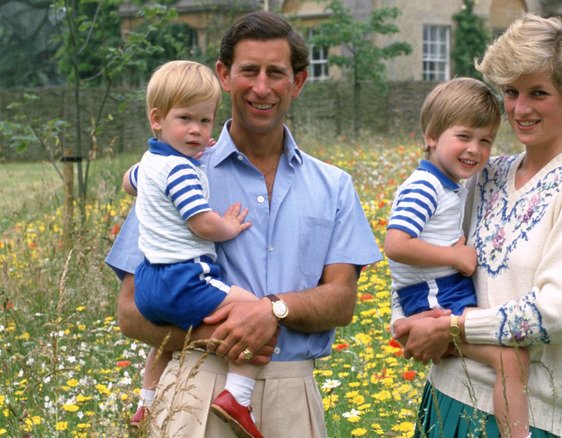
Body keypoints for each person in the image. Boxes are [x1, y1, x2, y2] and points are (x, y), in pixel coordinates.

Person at [105, 11, 382, 438]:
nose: (261, 87)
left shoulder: (334, 186)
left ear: (299, 82)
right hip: (193, 390)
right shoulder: (173, 170)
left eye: (276, 73)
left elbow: (342, 301)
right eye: (248, 71)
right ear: (224, 76)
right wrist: (216, 336)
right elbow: (129, 311)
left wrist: (272, 310)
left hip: (294, 396)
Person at [392, 13, 562, 438]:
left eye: (539, 92)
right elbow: (422, 251)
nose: (520, 108)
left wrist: (450, 328)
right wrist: (403, 320)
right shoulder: (485, 173)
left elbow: (555, 315)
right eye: (512, 92)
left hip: (522, 418)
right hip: (445, 397)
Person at [121, 59, 268, 438]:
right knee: (256, 314)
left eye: (205, 122)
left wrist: (190, 152)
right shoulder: (182, 171)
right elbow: (200, 222)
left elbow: (128, 182)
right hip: (185, 276)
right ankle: (238, 396)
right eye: (186, 119)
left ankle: (146, 404)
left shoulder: (151, 161)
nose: (196, 131)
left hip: (148, 282)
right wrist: (229, 226)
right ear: (157, 119)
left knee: (165, 345)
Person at [384, 77, 530, 438]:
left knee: (510, 355)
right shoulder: (424, 186)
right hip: (435, 297)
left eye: (485, 141)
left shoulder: (450, 184)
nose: (475, 150)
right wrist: (455, 256)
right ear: (432, 136)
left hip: (441, 293)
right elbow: (396, 244)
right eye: (464, 137)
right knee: (511, 357)